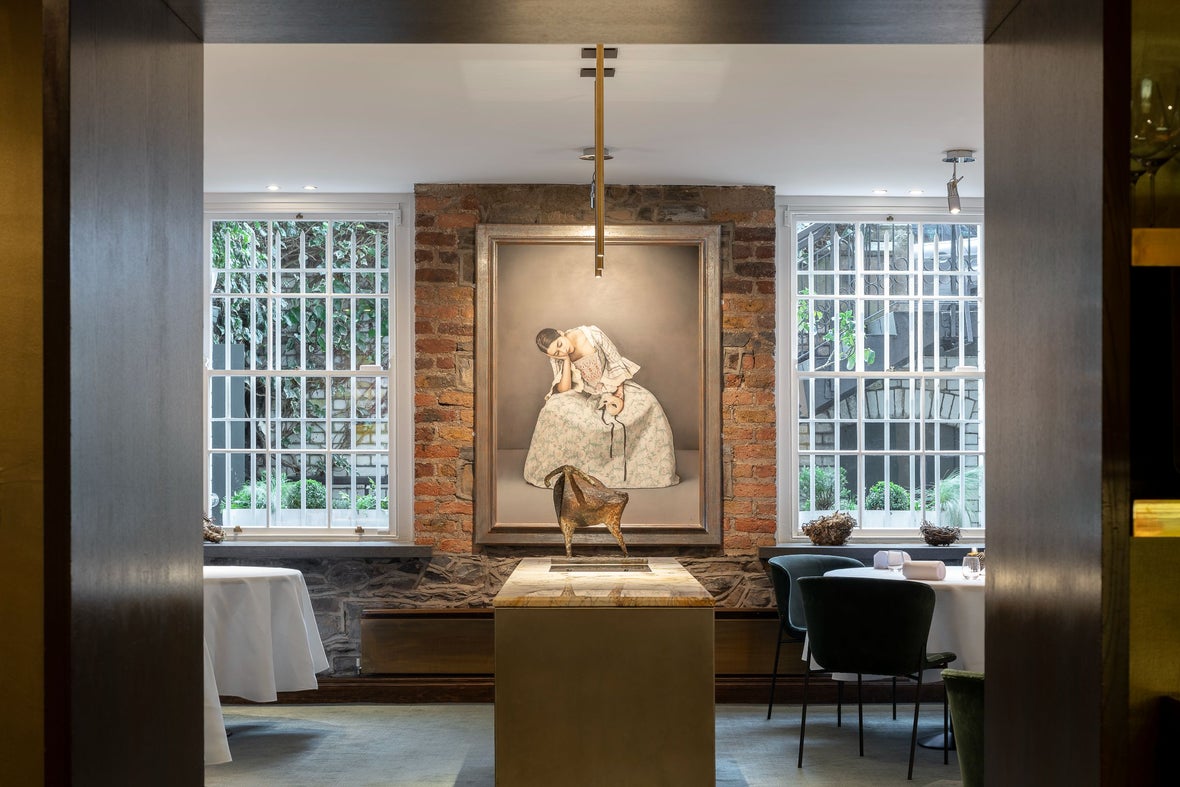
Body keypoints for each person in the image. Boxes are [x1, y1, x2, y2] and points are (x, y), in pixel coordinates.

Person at [523, 325, 679, 488]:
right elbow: (564, 388)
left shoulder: (592, 334)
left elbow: (615, 362)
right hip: (586, 394)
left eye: (560, 345)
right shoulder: (559, 356)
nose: (561, 352)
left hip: (614, 384)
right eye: (556, 353)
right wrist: (566, 360)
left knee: (649, 402)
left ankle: (644, 471)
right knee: (552, 408)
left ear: (561, 333)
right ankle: (574, 471)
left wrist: (618, 393)